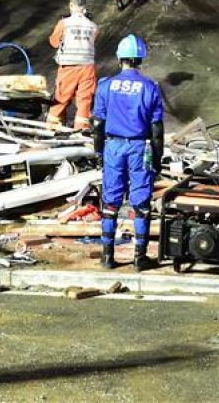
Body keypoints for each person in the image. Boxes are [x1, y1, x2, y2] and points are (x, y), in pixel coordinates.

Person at [92, 34, 164, 272]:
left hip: (113, 146)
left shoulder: (105, 86)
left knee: (110, 203)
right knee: (141, 203)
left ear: (120, 57)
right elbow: (157, 129)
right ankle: (139, 258)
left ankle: (107, 257)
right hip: (139, 148)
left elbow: (97, 124)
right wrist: (157, 157)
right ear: (140, 58)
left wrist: (99, 151)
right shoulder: (150, 88)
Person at [47, 0, 97, 131]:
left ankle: (51, 130)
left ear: (71, 5)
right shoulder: (93, 26)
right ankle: (81, 131)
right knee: (84, 101)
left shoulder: (64, 23)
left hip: (69, 67)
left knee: (60, 99)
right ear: (85, 6)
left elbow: (54, 42)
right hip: (88, 67)